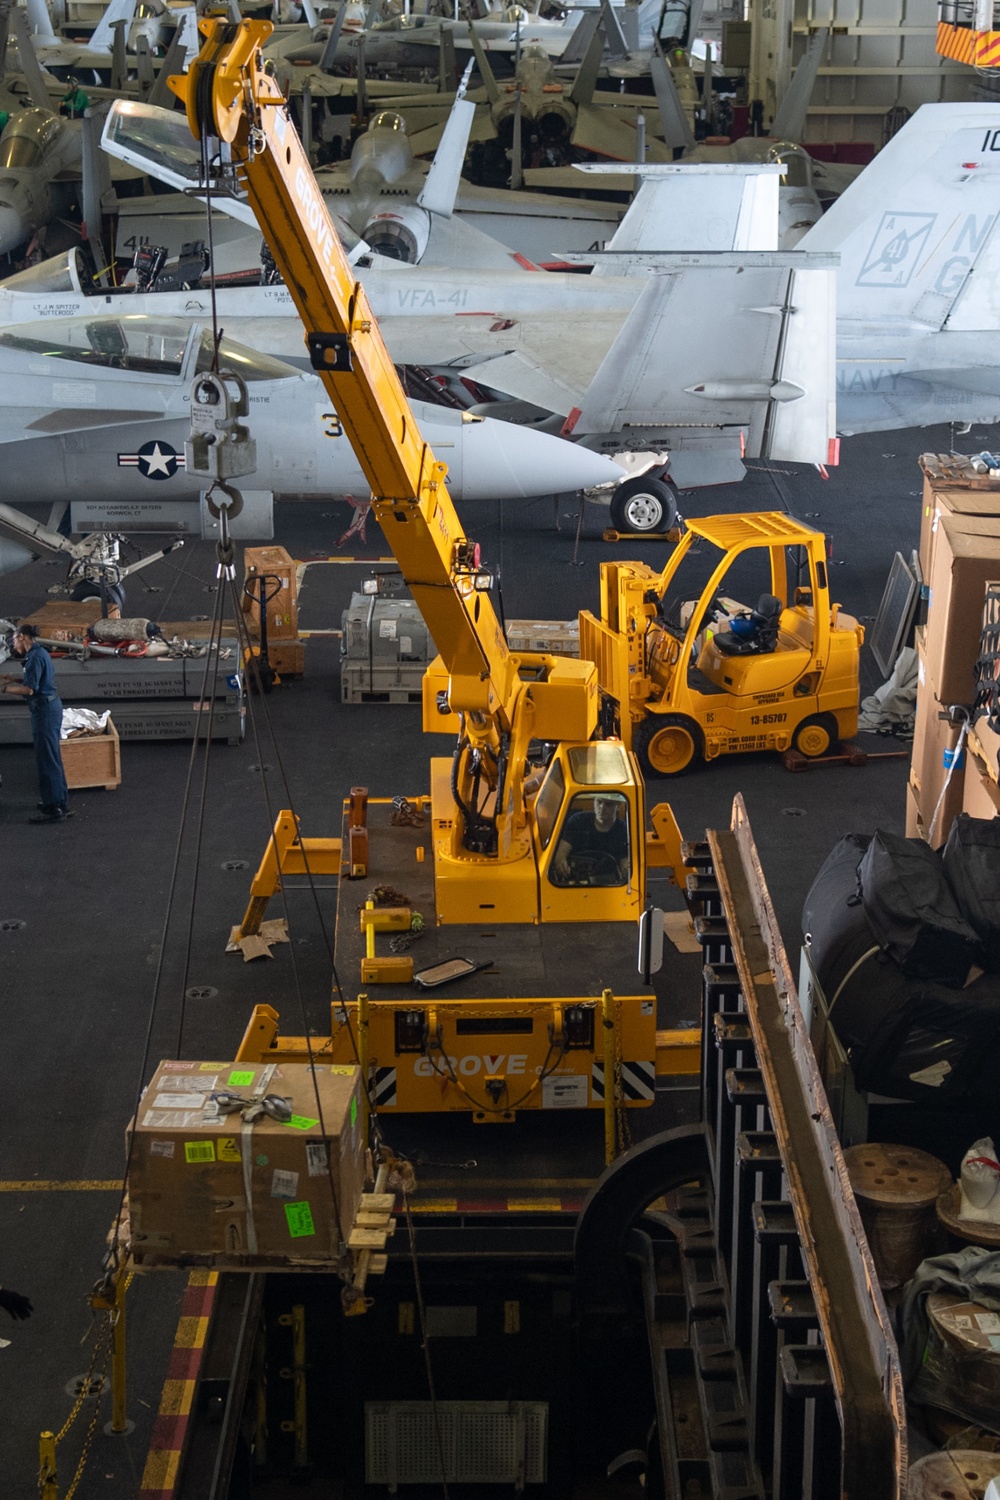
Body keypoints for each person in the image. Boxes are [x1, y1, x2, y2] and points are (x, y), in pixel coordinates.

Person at [0, 624, 72, 823]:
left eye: (14, 640)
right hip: (50, 708)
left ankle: (53, 809)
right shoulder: (39, 653)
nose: (14, 645)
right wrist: (11, 678)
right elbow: (35, 680)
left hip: (44, 711)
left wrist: (4, 690)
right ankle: (59, 801)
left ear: (22, 637)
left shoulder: (34, 657)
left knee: (46, 758)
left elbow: (30, 689)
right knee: (53, 756)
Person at [551, 793, 630, 885]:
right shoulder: (578, 821)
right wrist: (560, 863)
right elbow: (562, 849)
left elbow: (625, 859)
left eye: (608, 804)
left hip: (607, 883)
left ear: (618, 806)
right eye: (599, 802)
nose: (602, 807)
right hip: (574, 879)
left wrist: (626, 870)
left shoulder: (623, 830)